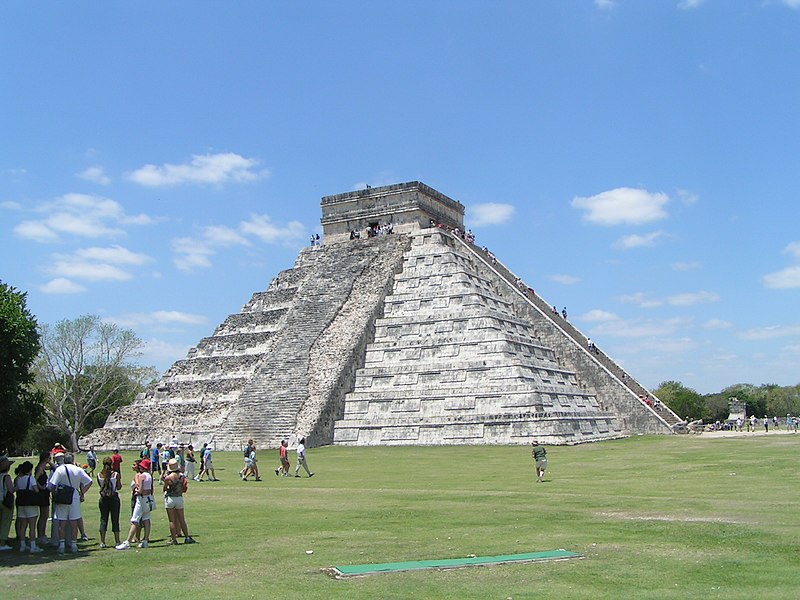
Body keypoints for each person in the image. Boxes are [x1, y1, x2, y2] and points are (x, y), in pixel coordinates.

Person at [47, 453, 93, 554]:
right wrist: (82, 492)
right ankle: (73, 544)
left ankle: (62, 544)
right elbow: (89, 481)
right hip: (74, 496)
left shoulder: (60, 470)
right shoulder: (78, 469)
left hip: (62, 497)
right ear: (72, 460)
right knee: (73, 522)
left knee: (62, 522)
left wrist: (55, 495)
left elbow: (52, 485)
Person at [116, 458, 154, 550]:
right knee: (146, 519)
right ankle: (145, 540)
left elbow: (140, 490)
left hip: (141, 499)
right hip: (148, 498)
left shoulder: (141, 476)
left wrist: (137, 490)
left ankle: (128, 541)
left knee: (135, 520)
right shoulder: (150, 476)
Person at [162, 459, 196, 545]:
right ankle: (187, 537)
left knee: (172, 520)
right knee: (182, 519)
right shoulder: (182, 476)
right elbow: (184, 488)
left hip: (170, 498)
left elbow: (165, 489)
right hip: (179, 497)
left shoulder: (168, 477)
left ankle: (174, 539)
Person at [14, 461, 43, 552]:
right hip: (30, 504)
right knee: (32, 526)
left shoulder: (18, 479)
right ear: (30, 470)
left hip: (21, 503)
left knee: (23, 526)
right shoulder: (31, 478)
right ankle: (33, 546)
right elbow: (36, 490)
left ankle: (22, 545)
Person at [97, 456, 122, 548]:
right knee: (115, 520)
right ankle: (117, 541)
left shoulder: (99, 475)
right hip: (114, 498)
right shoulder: (115, 474)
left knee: (103, 519)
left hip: (103, 499)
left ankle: (102, 541)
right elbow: (119, 487)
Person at [33, 451, 52, 548]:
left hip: (44, 493)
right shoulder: (40, 468)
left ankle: (43, 534)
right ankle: (40, 536)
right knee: (43, 515)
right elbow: (34, 479)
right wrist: (41, 487)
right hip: (42, 494)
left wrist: (50, 463)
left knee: (45, 515)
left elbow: (53, 468)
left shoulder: (43, 466)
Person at [0, 455, 16, 551]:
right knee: (5, 521)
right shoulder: (6, 476)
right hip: (5, 501)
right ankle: (2, 543)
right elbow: (11, 489)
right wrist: (16, 487)